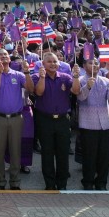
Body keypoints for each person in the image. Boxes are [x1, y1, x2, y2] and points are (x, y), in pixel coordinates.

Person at [31, 52, 80, 190]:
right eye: (49, 61)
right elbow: (39, 92)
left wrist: (75, 76)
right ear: (43, 64)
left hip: (63, 120)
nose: (53, 64)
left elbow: (76, 91)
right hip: (44, 120)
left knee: (63, 152)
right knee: (47, 152)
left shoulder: (65, 77)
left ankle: (62, 183)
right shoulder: (36, 77)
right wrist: (42, 77)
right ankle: (50, 184)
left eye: (55, 61)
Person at [0, 50, 33, 190]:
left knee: (15, 151)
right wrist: (0, 73)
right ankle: (0, 182)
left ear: (10, 58)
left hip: (16, 118)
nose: (3, 57)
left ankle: (15, 182)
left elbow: (30, 89)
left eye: (5, 55)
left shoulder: (18, 75)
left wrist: (27, 72)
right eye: (0, 55)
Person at [76, 57, 109, 190]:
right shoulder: (81, 80)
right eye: (90, 63)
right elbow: (80, 97)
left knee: (103, 156)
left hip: (105, 122)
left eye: (96, 63)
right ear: (84, 65)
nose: (94, 65)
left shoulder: (105, 80)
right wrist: (87, 87)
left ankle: (101, 182)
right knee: (89, 155)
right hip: (88, 122)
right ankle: (87, 181)